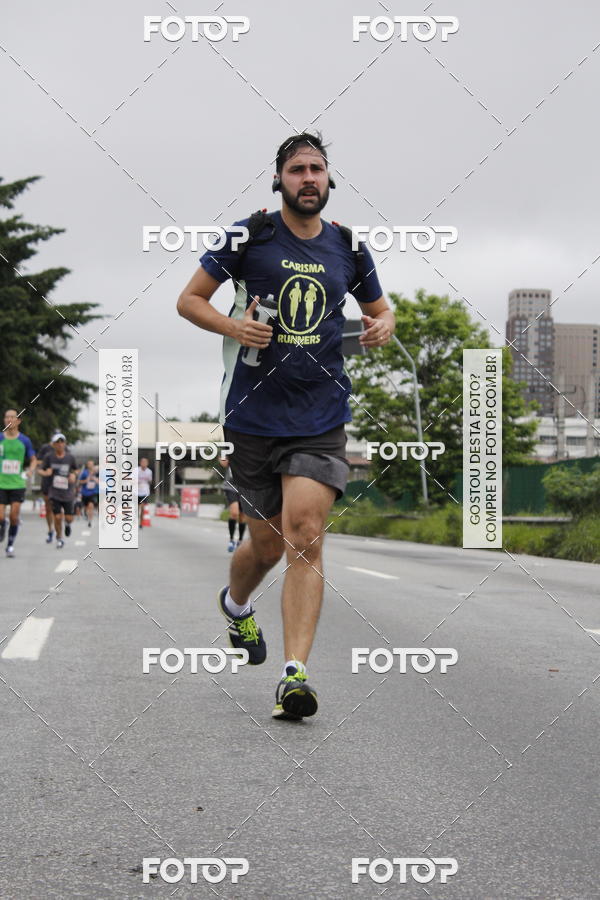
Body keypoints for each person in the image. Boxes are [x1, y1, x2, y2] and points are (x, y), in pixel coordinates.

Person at [177, 131, 394, 719]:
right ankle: (235, 605)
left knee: (305, 534)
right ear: (279, 180)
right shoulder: (249, 235)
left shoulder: (348, 245)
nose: (308, 178)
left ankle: (294, 674)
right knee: (266, 545)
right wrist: (233, 328)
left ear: (329, 181)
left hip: (321, 414)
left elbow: (379, 310)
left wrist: (383, 324)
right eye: (296, 169)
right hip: (253, 414)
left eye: (317, 169)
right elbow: (189, 300)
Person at [0, 408, 37, 557]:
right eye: (6, 417)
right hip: (1, 483)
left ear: (18, 421)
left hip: (17, 484)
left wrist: (30, 470)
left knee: (14, 516)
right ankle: (3, 525)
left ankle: (9, 545)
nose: (9, 420)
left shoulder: (24, 440)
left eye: (12, 417)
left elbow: (33, 459)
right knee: (1, 517)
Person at [38, 433, 78, 549]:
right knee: (57, 517)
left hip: (68, 492)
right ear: (54, 445)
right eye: (57, 443)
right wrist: (45, 473)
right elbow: (40, 469)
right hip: (54, 491)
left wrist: (74, 475)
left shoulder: (70, 457)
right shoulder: (49, 457)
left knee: (69, 518)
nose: (60, 445)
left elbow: (76, 470)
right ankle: (59, 538)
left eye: (62, 442)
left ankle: (67, 524)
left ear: (65, 444)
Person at [219, 456, 246, 552]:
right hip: (231, 486)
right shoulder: (229, 447)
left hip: (245, 486)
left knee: (243, 517)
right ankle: (231, 540)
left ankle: (240, 540)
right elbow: (223, 463)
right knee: (234, 513)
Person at [37, 438, 55, 542]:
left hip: (60, 483)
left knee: (58, 507)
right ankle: (50, 530)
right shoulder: (45, 448)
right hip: (47, 481)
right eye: (56, 441)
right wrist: (47, 465)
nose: (59, 444)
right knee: (48, 508)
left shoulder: (64, 448)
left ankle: (60, 528)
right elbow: (37, 461)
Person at [79, 459, 99, 526]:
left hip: (93, 492)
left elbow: (100, 481)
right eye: (89, 464)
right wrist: (86, 480)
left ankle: (90, 521)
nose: (90, 465)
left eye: (92, 464)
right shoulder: (84, 473)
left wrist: (95, 480)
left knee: (91, 506)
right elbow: (80, 482)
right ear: (87, 465)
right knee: (86, 507)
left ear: (93, 465)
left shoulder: (96, 473)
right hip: (84, 492)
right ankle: (85, 513)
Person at [134, 458, 153, 525]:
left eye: (145, 462)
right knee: (136, 507)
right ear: (140, 463)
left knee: (142, 507)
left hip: (145, 491)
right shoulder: (136, 470)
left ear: (147, 463)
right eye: (142, 462)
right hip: (136, 491)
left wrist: (148, 480)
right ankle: (135, 519)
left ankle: (141, 522)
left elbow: (150, 481)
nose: (144, 463)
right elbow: (130, 479)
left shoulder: (149, 471)